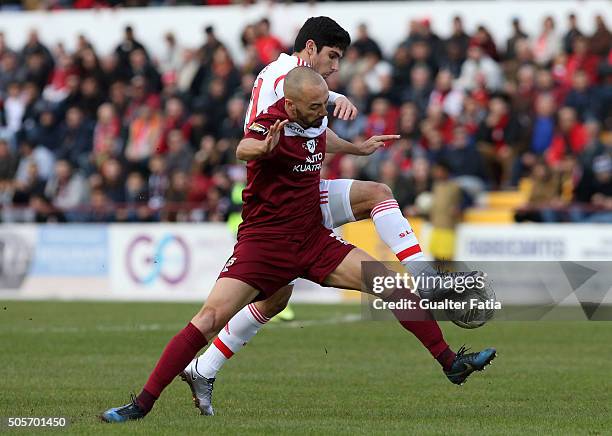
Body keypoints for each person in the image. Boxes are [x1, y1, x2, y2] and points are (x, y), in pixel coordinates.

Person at [100, 67, 497, 423]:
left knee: (388, 283)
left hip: (312, 239)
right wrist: (263, 149)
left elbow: (321, 137)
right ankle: (143, 404)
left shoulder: (314, 119)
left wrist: (357, 148)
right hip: (265, 245)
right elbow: (243, 148)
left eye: (325, 103)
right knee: (208, 319)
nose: (321, 111)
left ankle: (450, 362)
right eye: (313, 106)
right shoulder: (269, 122)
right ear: (289, 104)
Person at [182, 16, 485, 416]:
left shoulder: (288, 79)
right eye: (332, 56)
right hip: (281, 203)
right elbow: (270, 130)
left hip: (301, 193)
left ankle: (203, 369)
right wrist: (334, 97)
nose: (335, 66)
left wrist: (356, 149)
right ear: (309, 48)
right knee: (271, 299)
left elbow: (314, 135)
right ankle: (201, 368)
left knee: (373, 200)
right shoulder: (285, 77)